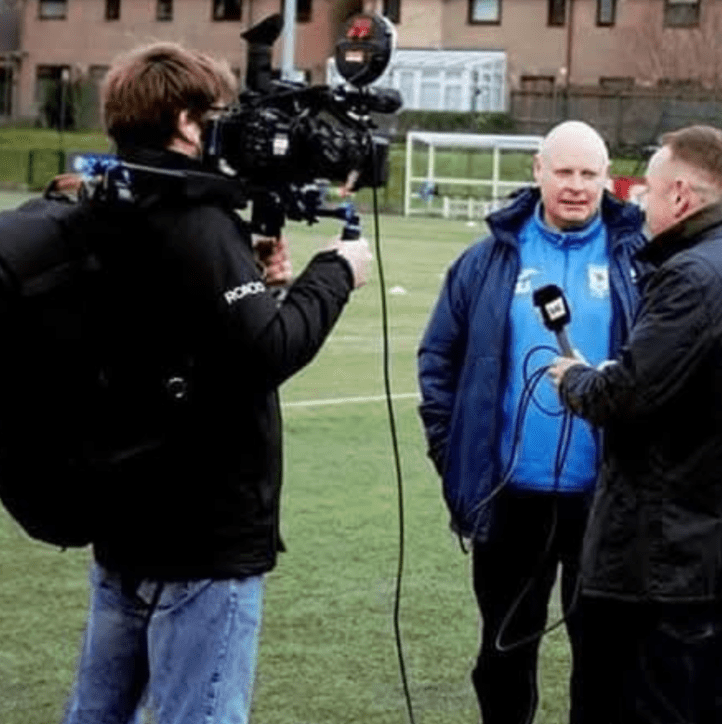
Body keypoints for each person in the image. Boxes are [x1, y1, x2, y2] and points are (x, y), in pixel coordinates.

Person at [60, 42, 372, 724]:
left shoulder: (109, 203)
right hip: (202, 536)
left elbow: (185, 331)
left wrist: (256, 284)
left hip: (123, 522)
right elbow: (267, 353)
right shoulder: (197, 220)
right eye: (215, 115)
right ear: (183, 121)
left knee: (95, 712)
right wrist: (337, 272)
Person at [548, 124, 722, 724]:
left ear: (683, 197)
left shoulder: (694, 278)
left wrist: (574, 379)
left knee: (645, 704)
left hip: (670, 562)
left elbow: (625, 395)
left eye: (650, 188)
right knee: (711, 701)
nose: (639, 200)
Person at [417, 120, 645, 724]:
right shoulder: (487, 260)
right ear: (537, 172)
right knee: (503, 657)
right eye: (563, 171)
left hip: (607, 500)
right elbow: (438, 359)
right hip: (509, 494)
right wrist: (453, 453)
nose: (575, 186)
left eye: (588, 173)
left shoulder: (637, 260)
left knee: (604, 660)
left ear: (607, 178)